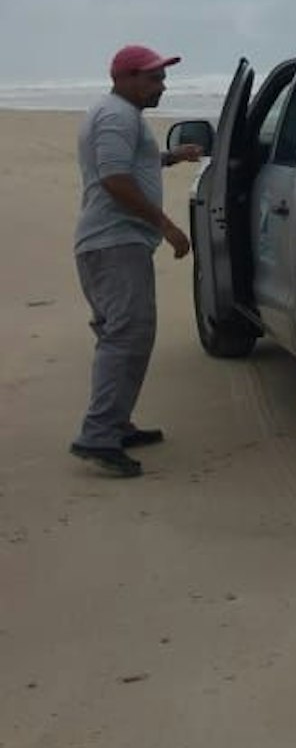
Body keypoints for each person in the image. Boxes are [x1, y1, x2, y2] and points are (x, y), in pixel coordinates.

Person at [70, 44, 202, 477]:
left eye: (162, 77)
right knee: (126, 336)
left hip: (112, 244)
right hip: (114, 243)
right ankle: (98, 435)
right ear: (124, 78)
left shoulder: (119, 115)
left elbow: (127, 165)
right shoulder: (115, 116)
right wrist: (166, 225)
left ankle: (116, 423)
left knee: (123, 335)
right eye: (153, 78)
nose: (161, 86)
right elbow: (114, 179)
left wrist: (170, 157)